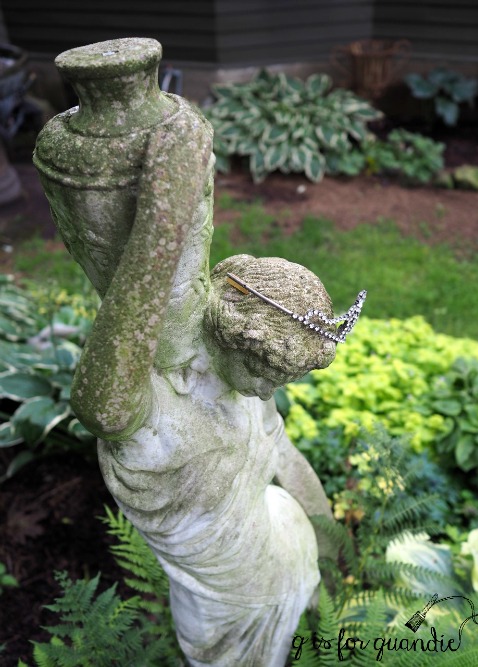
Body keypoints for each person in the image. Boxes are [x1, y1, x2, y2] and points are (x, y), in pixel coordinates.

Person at [70, 98, 342, 666]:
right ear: (234, 341)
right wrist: (160, 222)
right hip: (221, 597)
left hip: (282, 542)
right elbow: (101, 405)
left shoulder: (244, 393)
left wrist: (331, 542)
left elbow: (285, 457)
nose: (268, 391)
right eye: (266, 375)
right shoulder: (156, 408)